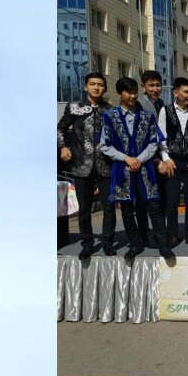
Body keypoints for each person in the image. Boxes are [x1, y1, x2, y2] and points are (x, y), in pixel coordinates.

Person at [99, 77, 174, 259]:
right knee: (126, 209)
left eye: (135, 92)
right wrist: (126, 159)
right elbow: (105, 145)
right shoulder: (110, 116)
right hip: (121, 169)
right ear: (119, 93)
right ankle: (135, 244)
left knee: (153, 207)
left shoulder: (147, 117)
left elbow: (153, 143)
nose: (133, 96)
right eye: (129, 92)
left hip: (145, 168)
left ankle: (163, 245)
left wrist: (138, 160)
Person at [57, 72, 115, 258]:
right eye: (92, 84)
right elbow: (60, 128)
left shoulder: (111, 110)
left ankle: (108, 242)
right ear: (85, 87)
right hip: (81, 163)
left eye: (100, 84)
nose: (96, 87)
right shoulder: (74, 107)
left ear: (105, 88)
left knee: (109, 207)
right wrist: (63, 147)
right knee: (84, 208)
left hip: (106, 164)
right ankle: (87, 243)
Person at [157, 77, 188, 247]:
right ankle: (172, 235)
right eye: (186, 92)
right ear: (176, 93)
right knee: (172, 201)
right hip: (172, 160)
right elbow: (161, 137)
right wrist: (166, 158)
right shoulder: (165, 110)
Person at [135, 70, 167, 248]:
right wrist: (155, 160)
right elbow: (141, 137)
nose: (155, 89)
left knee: (159, 198)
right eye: (151, 85)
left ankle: (158, 233)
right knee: (143, 201)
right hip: (144, 159)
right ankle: (144, 235)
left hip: (160, 156)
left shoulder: (161, 103)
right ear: (143, 86)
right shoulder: (139, 104)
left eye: (158, 85)